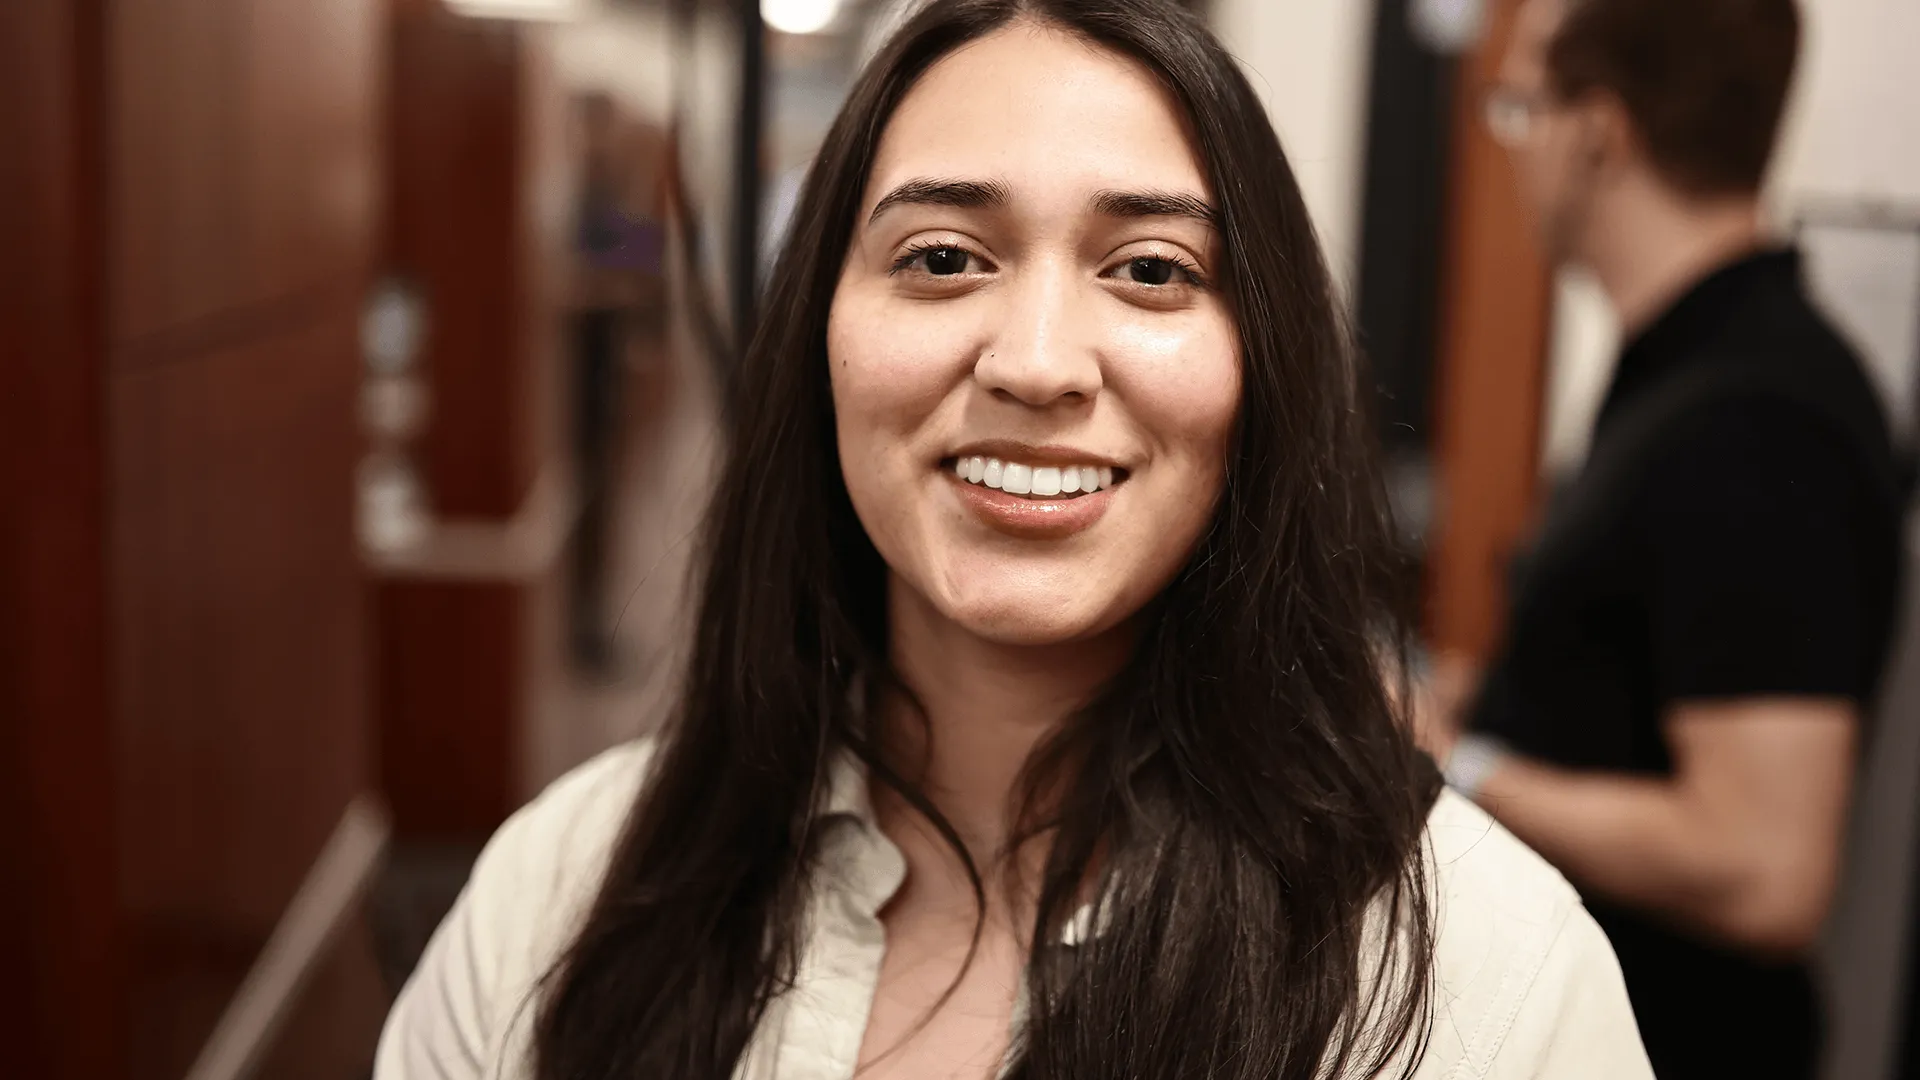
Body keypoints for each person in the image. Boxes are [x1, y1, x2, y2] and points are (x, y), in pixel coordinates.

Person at [375, 2, 1652, 1078]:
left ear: (1265, 372)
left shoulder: (1490, 981)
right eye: (941, 256)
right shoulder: (565, 888)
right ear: (818, 339)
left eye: (1151, 270)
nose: (1036, 364)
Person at [1430, 1, 1907, 1077]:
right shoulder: (1685, 375)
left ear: (1599, 133)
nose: (1516, 150)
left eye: (1521, 108)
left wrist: (1455, 759)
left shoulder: (1757, 416)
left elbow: (1764, 865)